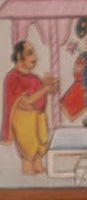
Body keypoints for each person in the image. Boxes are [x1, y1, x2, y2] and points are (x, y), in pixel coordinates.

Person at [4, 38, 51, 173]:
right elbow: (26, 101)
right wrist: (45, 89)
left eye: (34, 53)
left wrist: (49, 86)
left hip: (38, 118)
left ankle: (38, 166)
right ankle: (28, 169)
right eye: (30, 53)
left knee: (40, 145)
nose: (35, 57)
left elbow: (40, 98)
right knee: (28, 148)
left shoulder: (34, 78)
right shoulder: (13, 77)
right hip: (24, 120)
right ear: (19, 57)